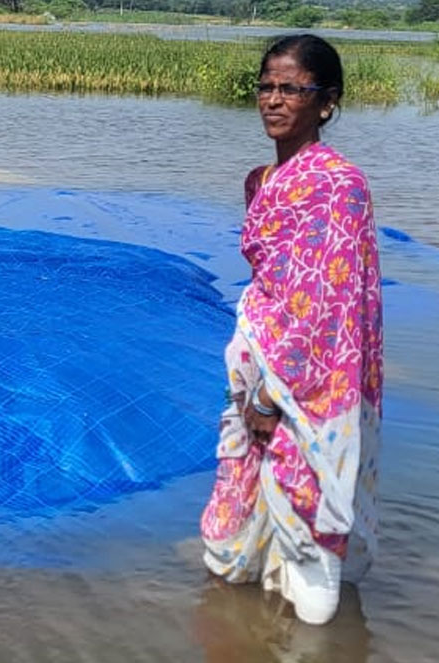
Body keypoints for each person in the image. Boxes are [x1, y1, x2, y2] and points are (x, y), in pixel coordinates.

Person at [199, 34, 383, 626]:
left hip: (308, 389)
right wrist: (253, 383)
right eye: (267, 87)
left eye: (291, 89)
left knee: (310, 549)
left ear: (326, 102)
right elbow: (274, 290)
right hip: (259, 366)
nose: (273, 101)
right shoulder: (264, 180)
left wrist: (273, 398)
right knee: (237, 534)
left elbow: (327, 314)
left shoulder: (336, 186)